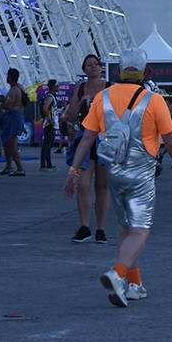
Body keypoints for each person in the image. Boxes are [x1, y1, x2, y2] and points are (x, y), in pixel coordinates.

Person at [64, 47, 172, 308]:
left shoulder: (103, 97)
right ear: (144, 71)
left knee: (126, 227)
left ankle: (134, 285)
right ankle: (117, 274)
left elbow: (87, 138)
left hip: (114, 170)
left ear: (118, 71)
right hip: (141, 173)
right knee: (140, 230)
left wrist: (74, 171)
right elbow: (171, 140)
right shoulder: (154, 100)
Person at [62, 54, 111, 244]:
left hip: (105, 139)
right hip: (85, 137)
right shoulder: (80, 88)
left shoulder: (109, 88)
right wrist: (81, 102)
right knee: (82, 184)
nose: (92, 67)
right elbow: (71, 117)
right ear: (84, 69)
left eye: (95, 64)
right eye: (88, 65)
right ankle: (84, 226)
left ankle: (100, 228)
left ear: (101, 68)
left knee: (102, 186)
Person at [0, 68, 26, 177]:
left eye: (7, 75)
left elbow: (8, 105)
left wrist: (0, 104)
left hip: (13, 117)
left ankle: (19, 168)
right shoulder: (19, 88)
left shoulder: (14, 90)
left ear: (10, 76)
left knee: (11, 143)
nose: (6, 78)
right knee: (8, 143)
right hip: (16, 116)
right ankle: (9, 166)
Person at [39, 79, 59, 170]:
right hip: (49, 124)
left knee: (49, 144)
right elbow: (45, 108)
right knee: (47, 144)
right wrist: (50, 120)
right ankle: (44, 165)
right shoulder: (50, 97)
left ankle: (48, 164)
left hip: (51, 124)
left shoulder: (52, 96)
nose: (58, 87)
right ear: (53, 87)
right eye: (57, 86)